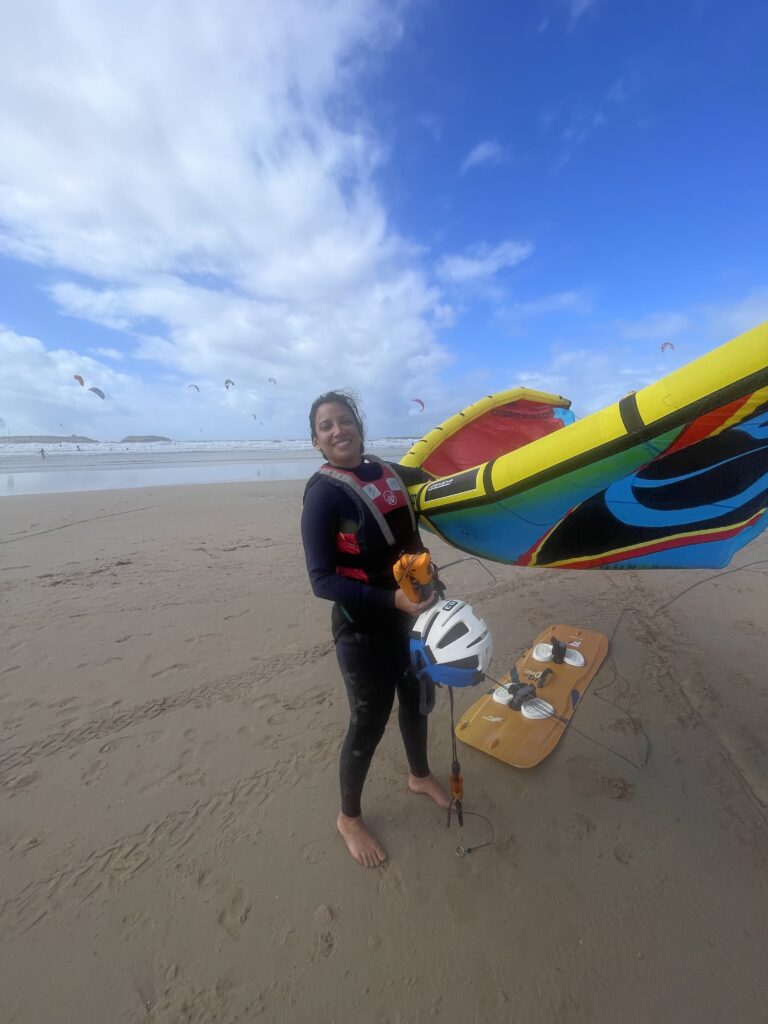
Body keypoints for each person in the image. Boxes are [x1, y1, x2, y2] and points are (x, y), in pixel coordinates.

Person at [301, 390, 450, 867]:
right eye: (326, 426)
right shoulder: (323, 493)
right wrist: (392, 599)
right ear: (316, 441)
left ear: (360, 427)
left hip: (412, 616)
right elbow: (322, 580)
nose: (337, 430)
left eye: (344, 421)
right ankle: (349, 818)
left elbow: (445, 489)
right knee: (369, 719)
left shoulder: (389, 473)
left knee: (416, 701)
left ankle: (419, 775)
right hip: (361, 627)